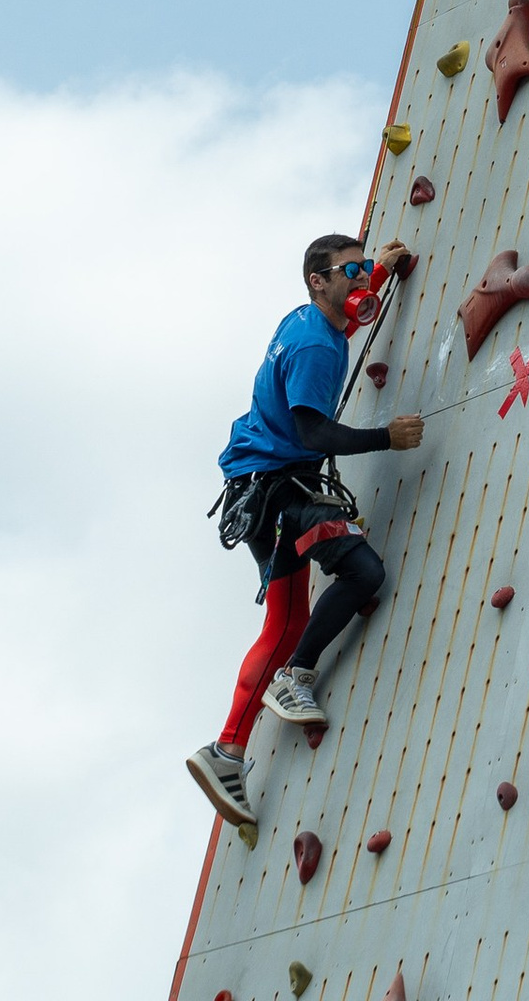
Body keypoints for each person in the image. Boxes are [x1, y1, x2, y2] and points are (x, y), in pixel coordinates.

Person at [183, 232, 421, 840]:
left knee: (284, 622)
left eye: (363, 267)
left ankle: (228, 751)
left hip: (259, 486)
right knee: (363, 572)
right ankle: (295, 678)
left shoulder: (307, 318)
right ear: (319, 281)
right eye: (352, 270)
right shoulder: (316, 344)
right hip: (283, 491)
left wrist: (381, 272)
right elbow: (314, 433)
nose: (360, 277)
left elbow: (342, 319)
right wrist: (383, 438)